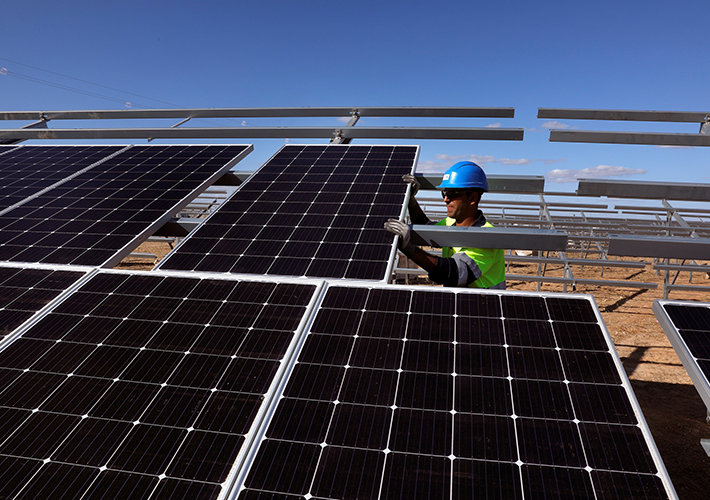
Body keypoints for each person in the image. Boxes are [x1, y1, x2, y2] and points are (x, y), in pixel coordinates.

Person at [384, 161, 506, 289]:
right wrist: (411, 200)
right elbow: (425, 227)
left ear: (473, 198)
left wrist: (410, 249)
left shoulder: (487, 236)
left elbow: (455, 273)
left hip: (484, 304)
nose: (446, 199)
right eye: (445, 193)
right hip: (461, 301)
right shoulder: (451, 222)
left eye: (453, 194)